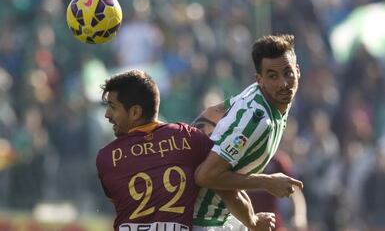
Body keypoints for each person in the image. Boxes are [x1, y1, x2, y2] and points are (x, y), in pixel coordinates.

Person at [96, 70, 276, 231]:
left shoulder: (106, 158)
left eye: (113, 107)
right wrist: (253, 220)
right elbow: (228, 190)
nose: (107, 115)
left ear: (135, 112)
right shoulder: (190, 139)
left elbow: (120, 201)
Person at [192, 34, 304, 230]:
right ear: (259, 79)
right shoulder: (257, 121)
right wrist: (267, 183)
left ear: (297, 71)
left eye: (288, 73)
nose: (283, 83)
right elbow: (205, 176)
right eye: (273, 76)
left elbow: (215, 111)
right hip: (204, 223)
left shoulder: (260, 95)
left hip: (223, 219)